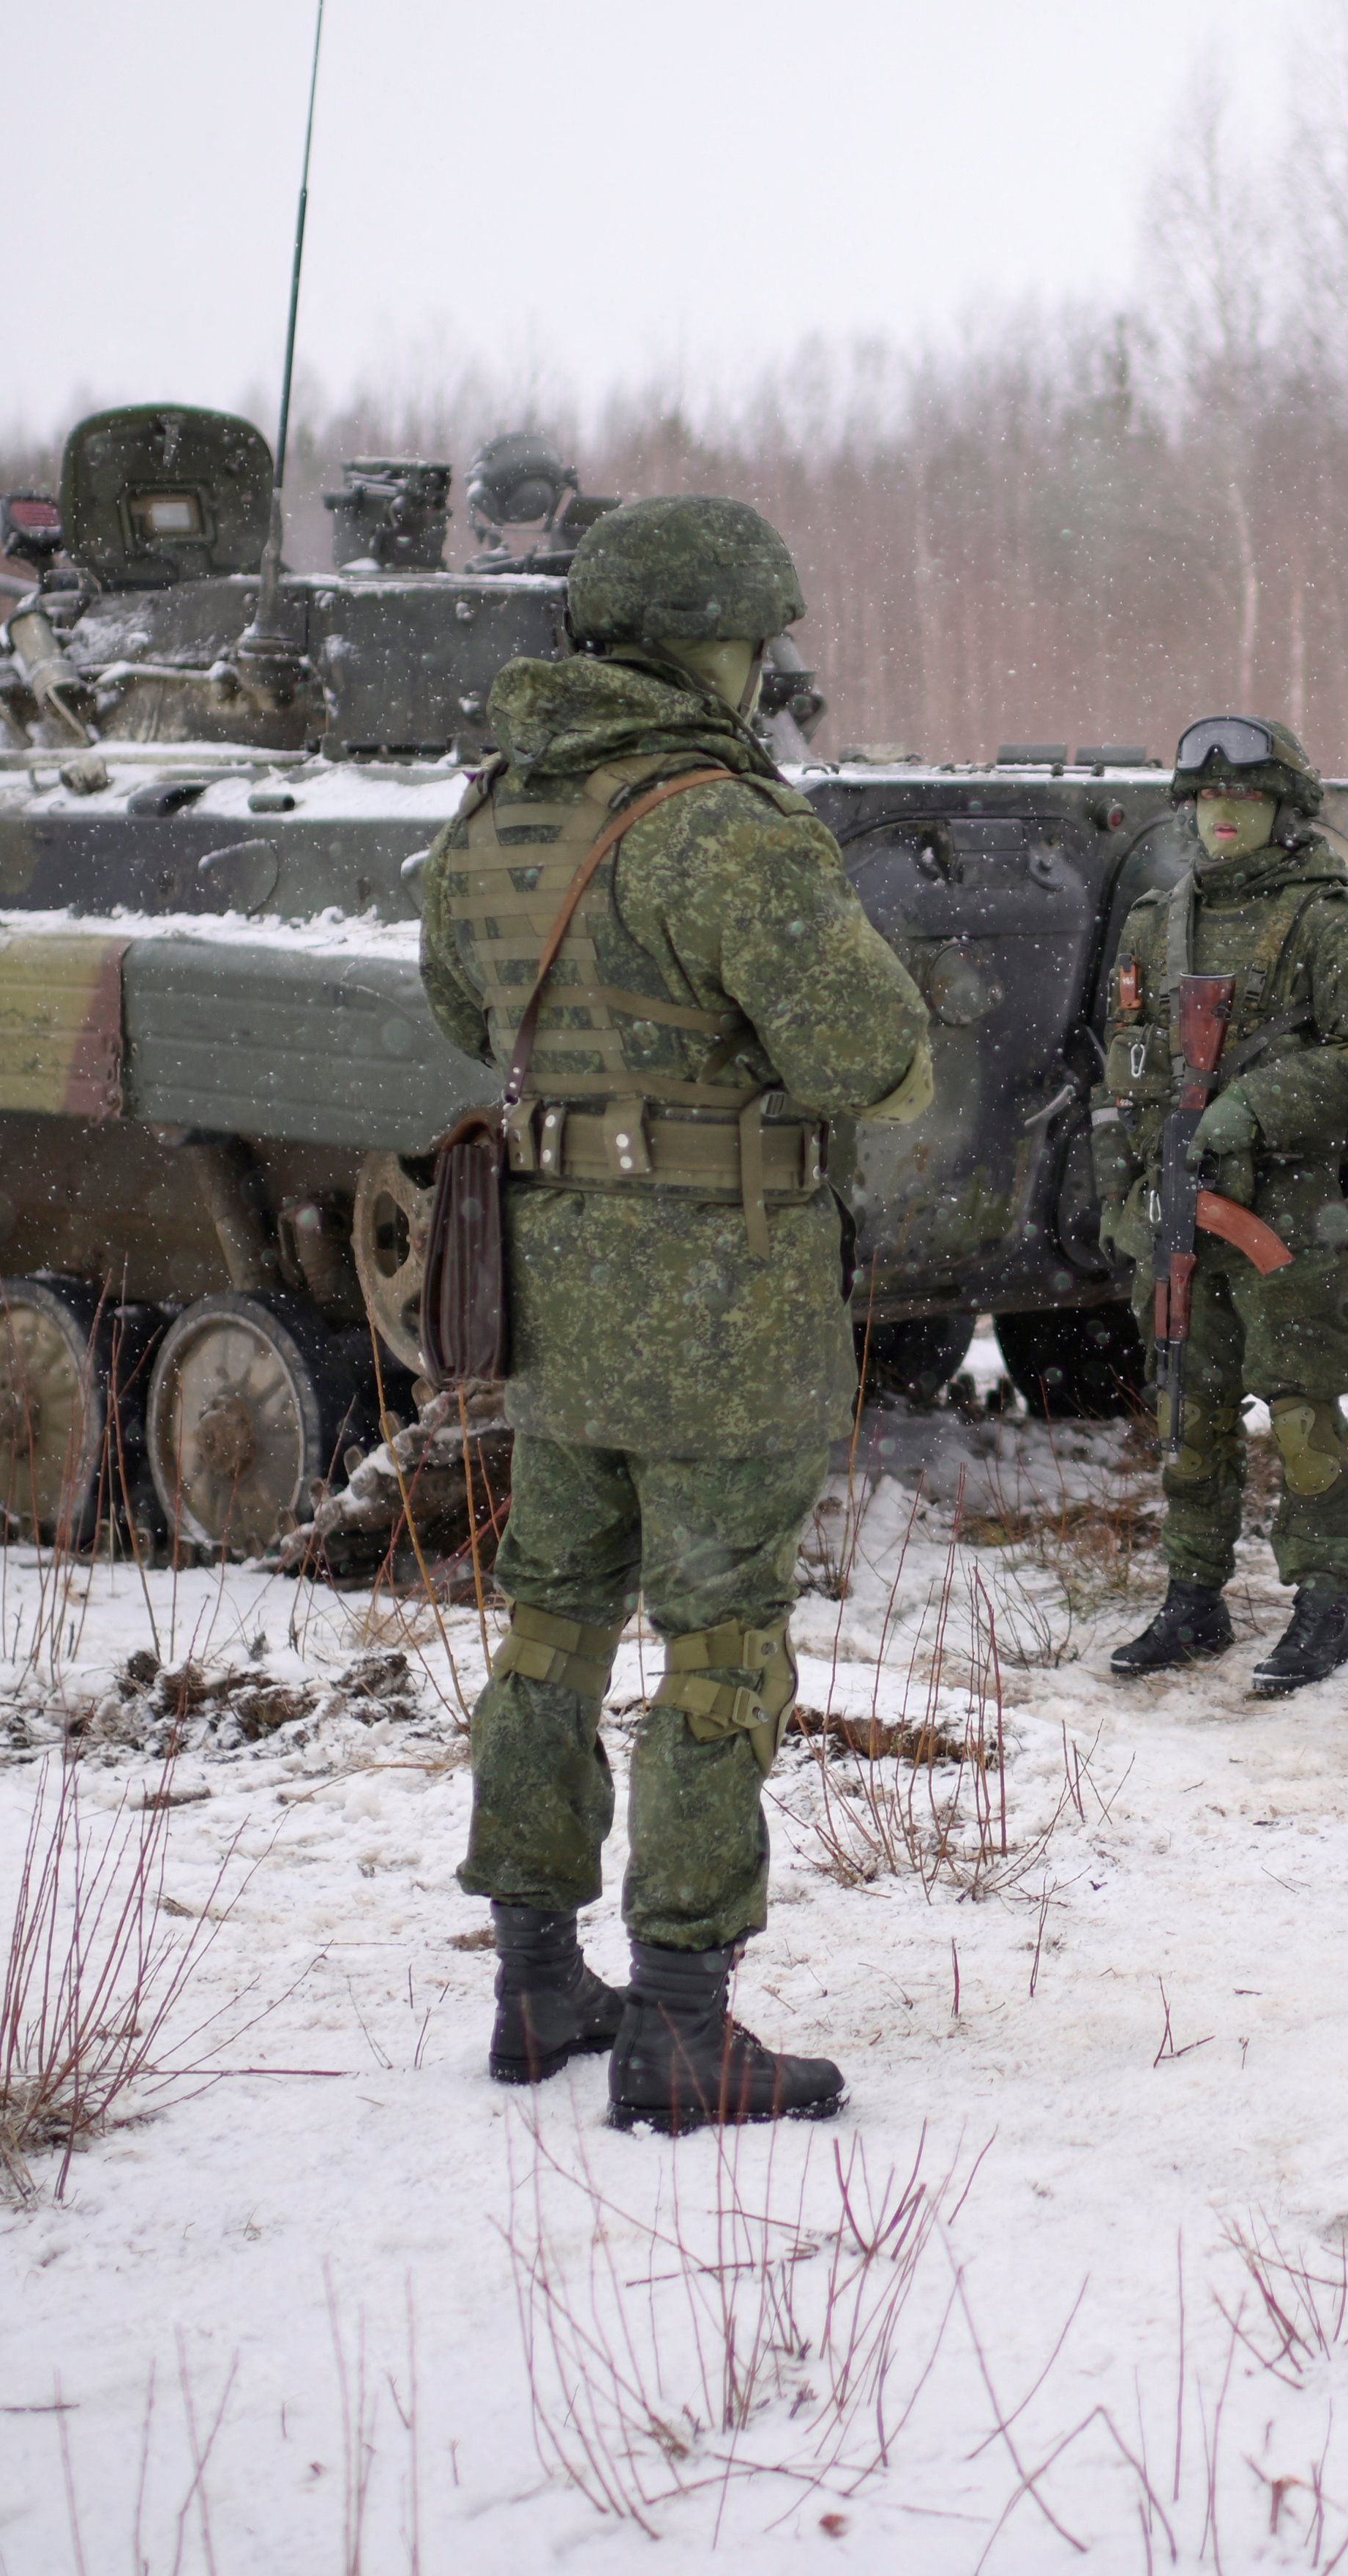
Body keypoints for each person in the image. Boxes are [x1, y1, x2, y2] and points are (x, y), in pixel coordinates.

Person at [418, 493, 934, 2131]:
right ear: (719, 644)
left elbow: (455, 1000)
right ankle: (683, 2021)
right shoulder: (725, 825)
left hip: (557, 1302)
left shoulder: (501, 810)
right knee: (720, 1651)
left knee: (553, 1624)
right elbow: (872, 1057)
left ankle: (534, 1975)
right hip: (720, 1301)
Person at [1090, 716, 1348, 1693]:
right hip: (1178, 1203)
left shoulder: (1327, 921)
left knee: (1305, 1406)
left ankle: (1322, 1603)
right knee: (1189, 1405)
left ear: (1284, 811)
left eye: (1247, 799)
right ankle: (1195, 1595)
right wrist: (1122, 1194)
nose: (1224, 815)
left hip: (1288, 1213)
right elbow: (1119, 1073)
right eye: (1209, 799)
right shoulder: (1156, 920)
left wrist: (1255, 1105)